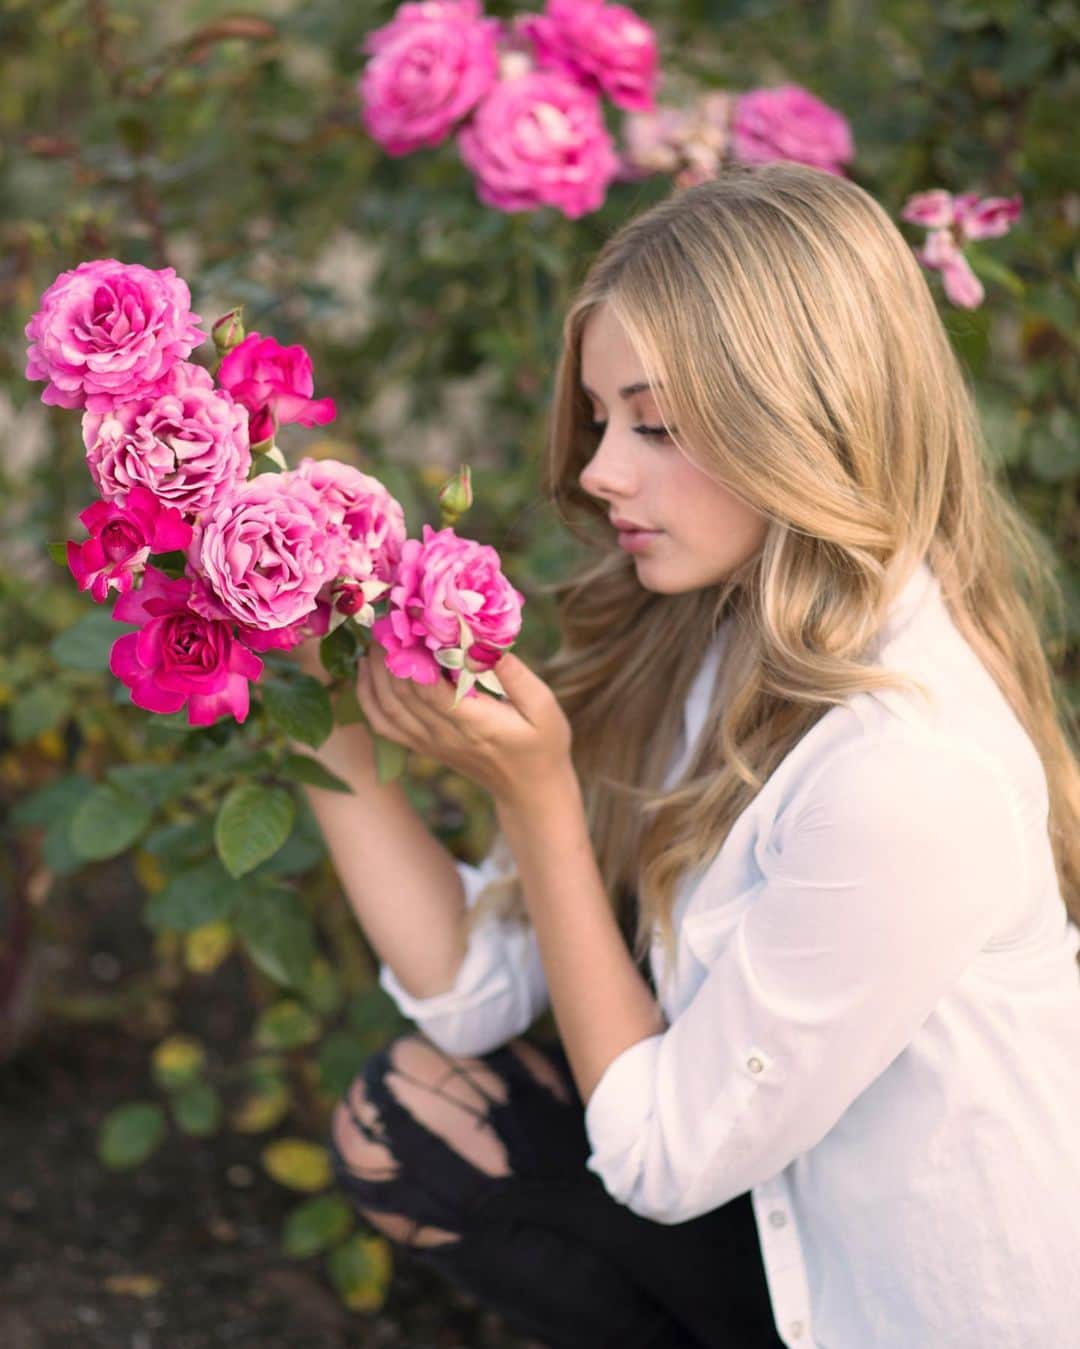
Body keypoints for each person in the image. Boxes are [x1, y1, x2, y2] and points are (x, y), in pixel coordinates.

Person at [296, 161, 1080, 1349]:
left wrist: (540, 795)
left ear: (809, 420)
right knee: (419, 1112)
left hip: (931, 1312)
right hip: (786, 1217)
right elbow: (476, 991)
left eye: (656, 424)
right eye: (605, 417)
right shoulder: (707, 632)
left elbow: (664, 1155)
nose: (604, 468)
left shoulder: (908, 768)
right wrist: (331, 704)